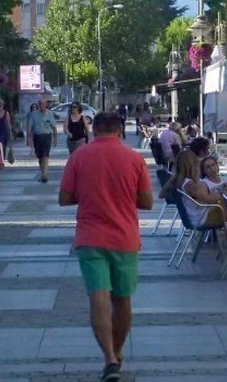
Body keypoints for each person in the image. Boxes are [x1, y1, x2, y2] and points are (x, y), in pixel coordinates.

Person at [58, 112, 153, 382]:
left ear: (94, 130)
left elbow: (64, 198)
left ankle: (109, 357)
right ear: (120, 131)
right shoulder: (134, 159)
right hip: (124, 238)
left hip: (90, 239)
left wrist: (89, 194)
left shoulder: (79, 157)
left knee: (98, 299)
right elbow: (147, 202)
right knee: (122, 300)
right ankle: (117, 353)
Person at [26, 99, 57, 183]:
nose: (42, 105)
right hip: (37, 137)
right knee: (39, 156)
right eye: (40, 104)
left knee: (45, 155)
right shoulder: (33, 114)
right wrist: (28, 138)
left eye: (43, 103)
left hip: (46, 136)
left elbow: (54, 127)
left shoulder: (50, 114)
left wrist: (55, 139)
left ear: (46, 104)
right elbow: (29, 127)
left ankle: (44, 174)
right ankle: (43, 171)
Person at [0, 99, 12, 168]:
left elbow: (8, 123)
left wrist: (10, 132)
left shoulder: (6, 113)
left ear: (3, 106)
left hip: (4, 132)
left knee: (4, 147)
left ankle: (1, 161)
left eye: (0, 105)